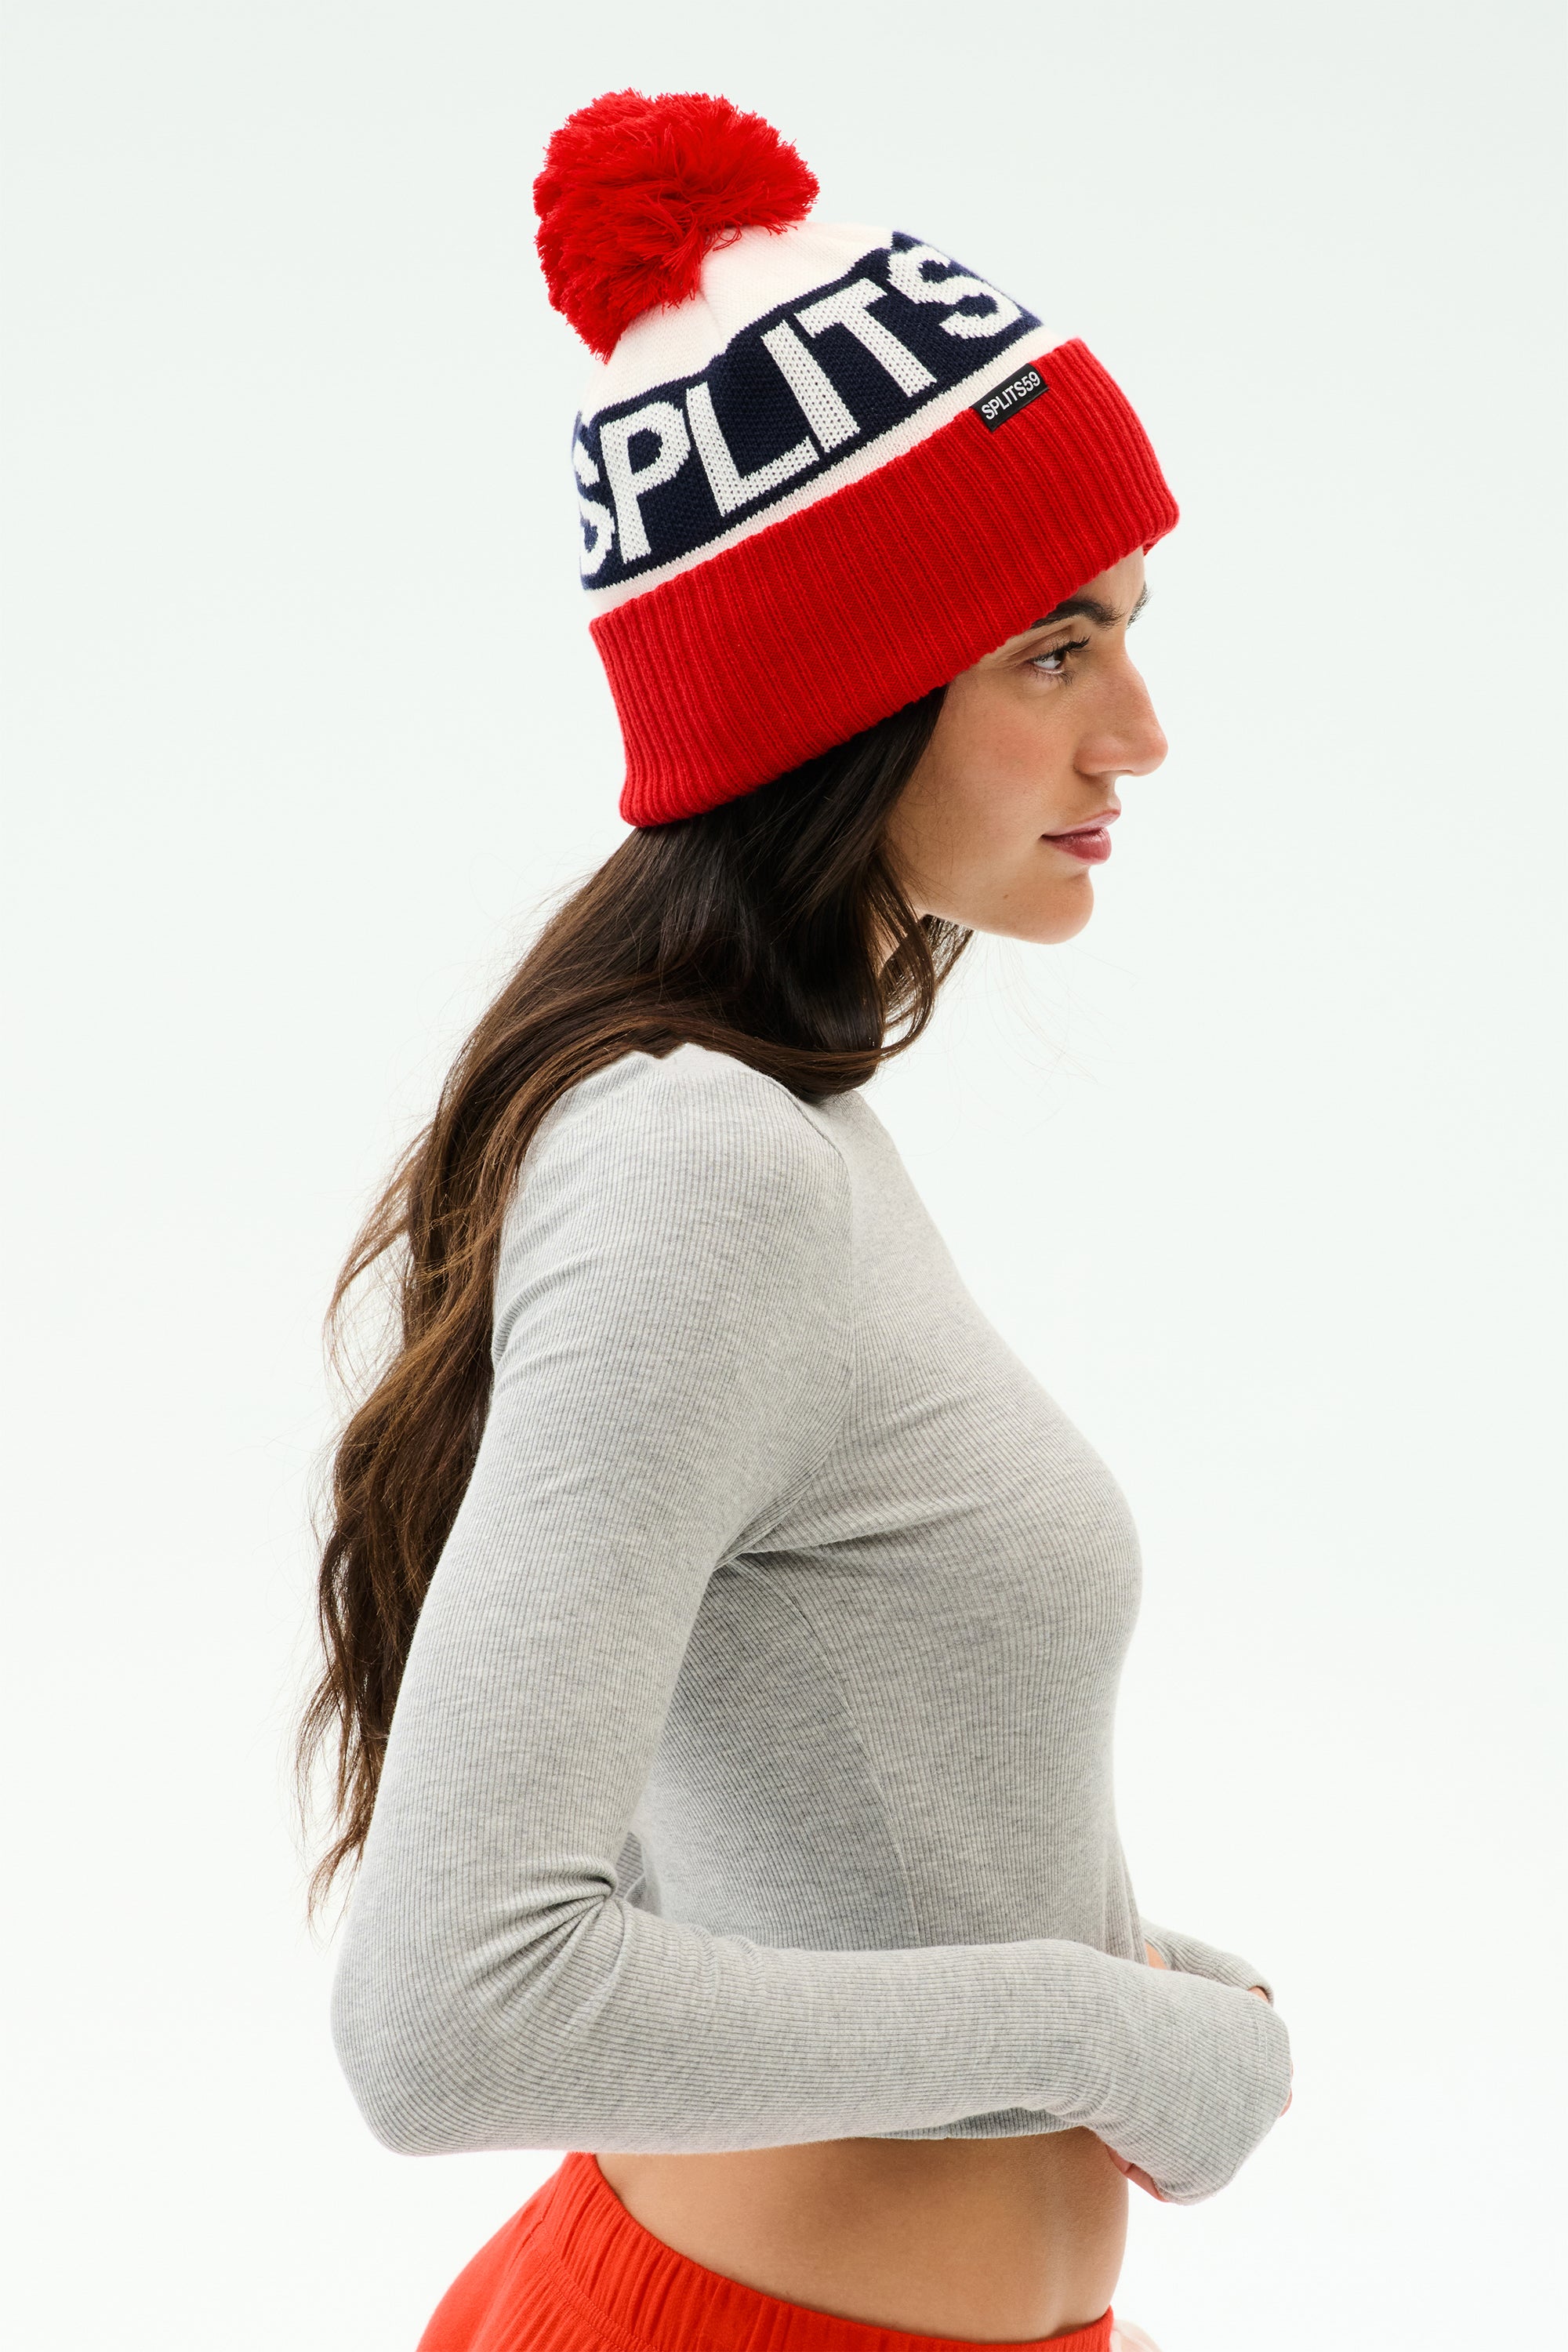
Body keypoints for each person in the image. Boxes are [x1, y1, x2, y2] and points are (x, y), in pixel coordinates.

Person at [299, 88, 1294, 2352]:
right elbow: (447, 2015)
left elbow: (775, 1820)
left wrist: (1128, 1969)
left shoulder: (783, 1134)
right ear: (835, 701)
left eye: (1127, 628)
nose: (1137, 731)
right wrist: (1083, 2033)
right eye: (1052, 650)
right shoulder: (705, 1168)